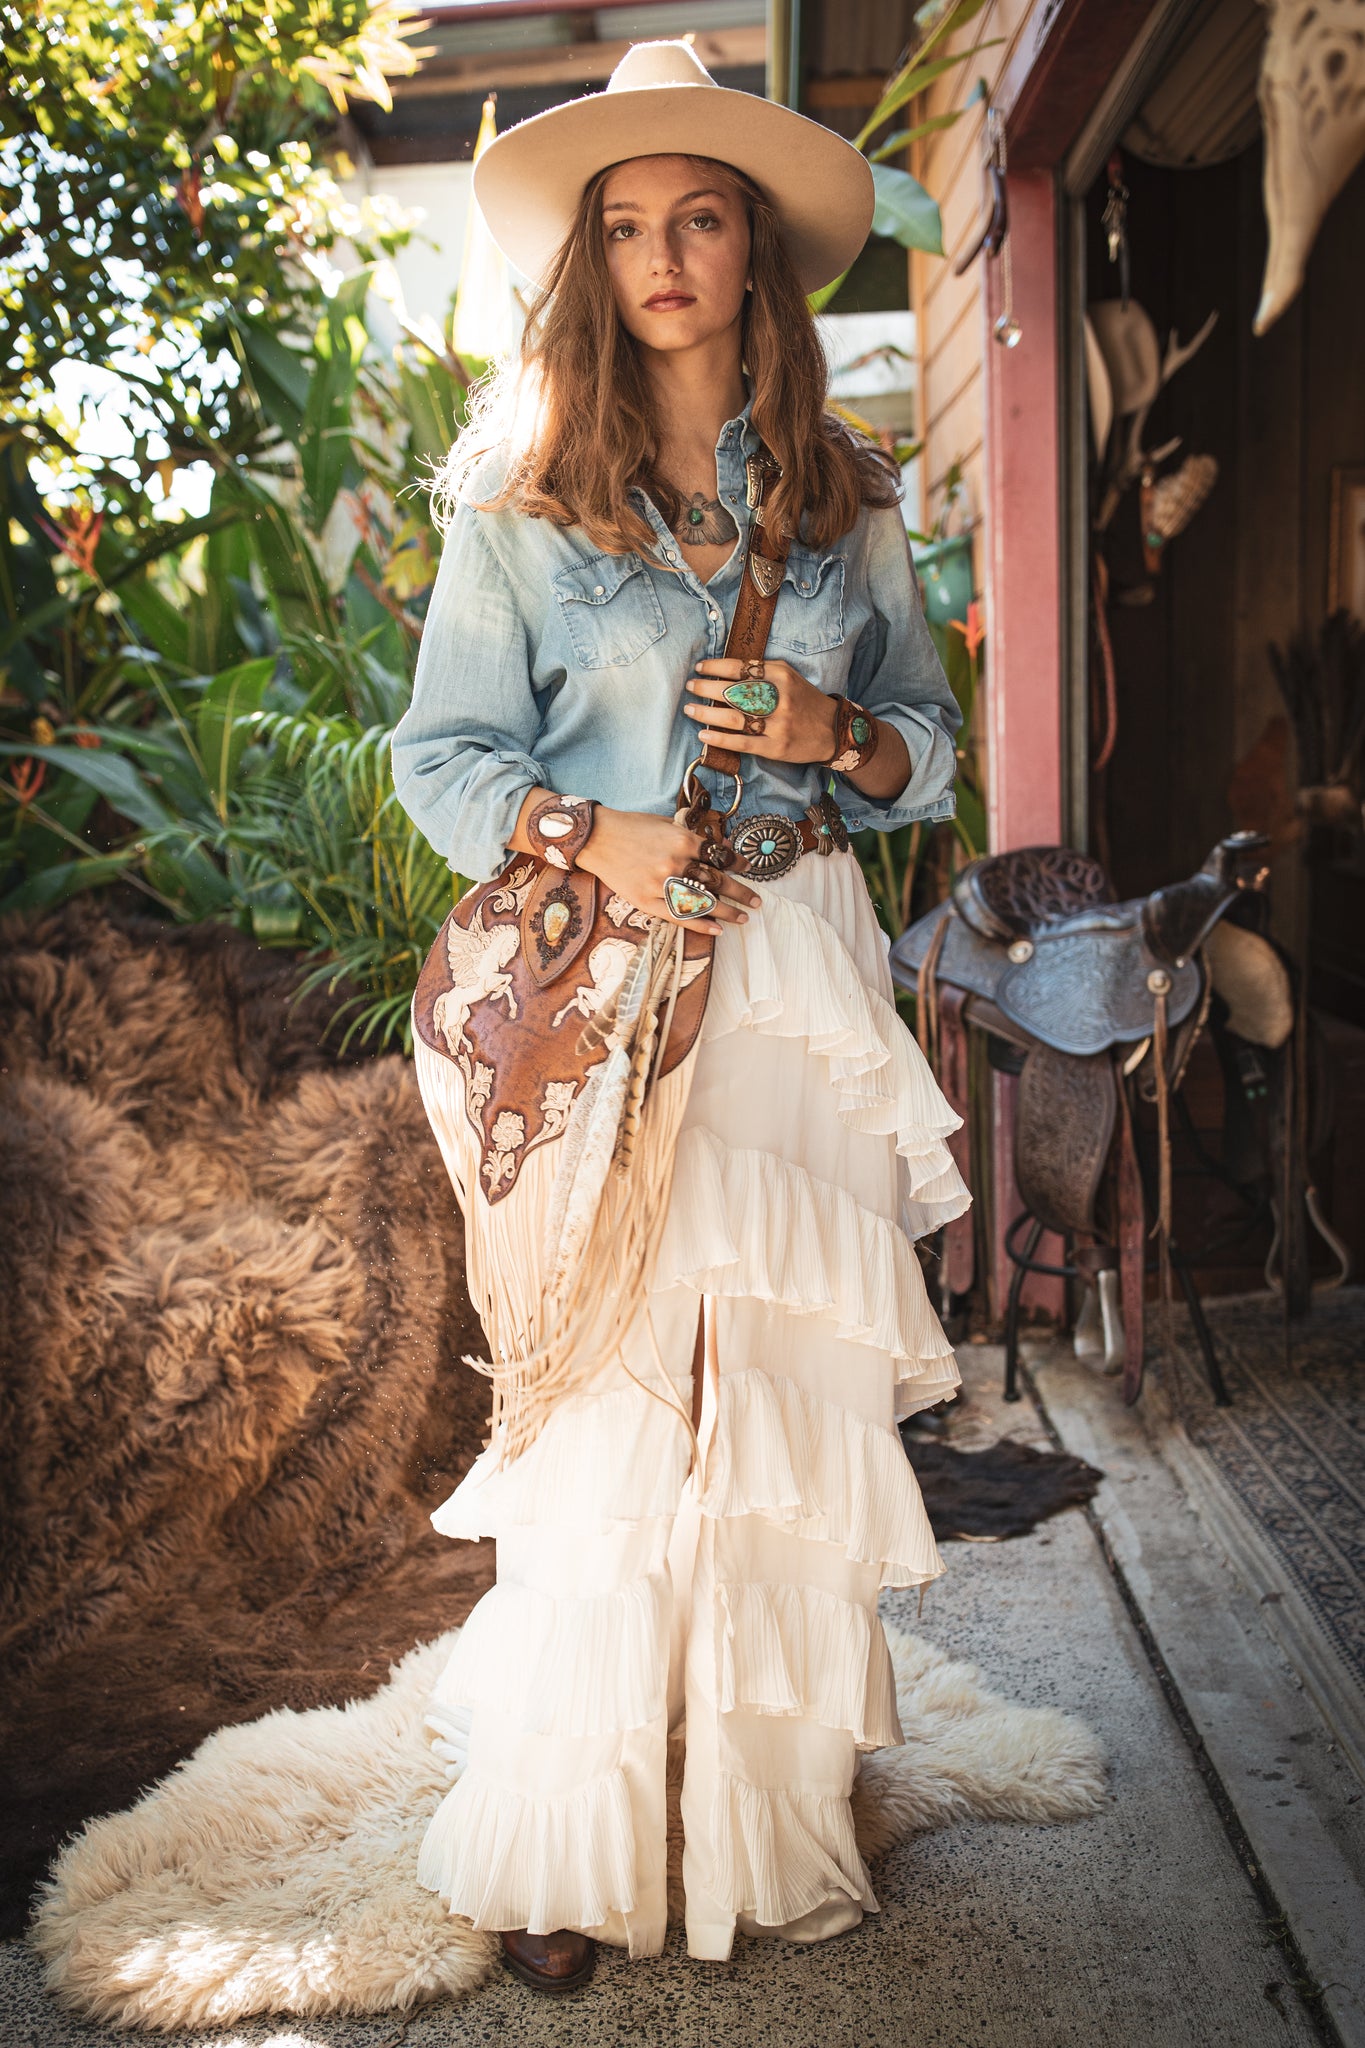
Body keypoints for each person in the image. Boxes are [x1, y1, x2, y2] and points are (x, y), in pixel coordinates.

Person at [391, 38, 970, 1993]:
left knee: (768, 1397)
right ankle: (568, 1835)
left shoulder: (843, 493)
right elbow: (439, 756)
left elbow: (928, 754)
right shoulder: (520, 490)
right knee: (622, 1395)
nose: (659, 254)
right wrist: (587, 826)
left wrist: (835, 732)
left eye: (695, 218)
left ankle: (753, 1803)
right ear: (590, 261)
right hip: (616, 987)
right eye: (623, 225)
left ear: (752, 254)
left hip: (793, 969)